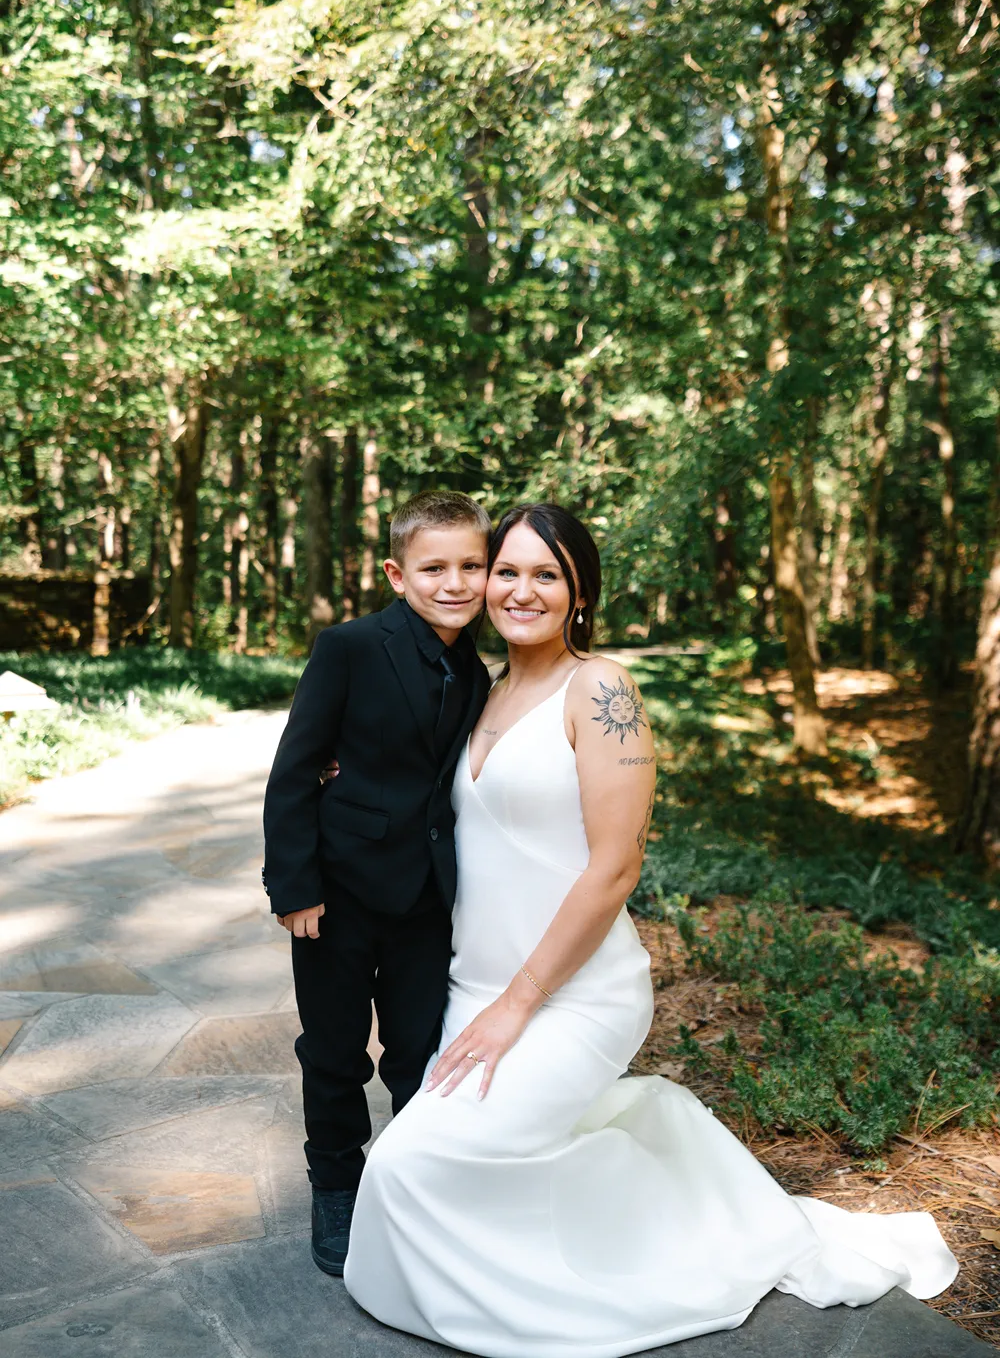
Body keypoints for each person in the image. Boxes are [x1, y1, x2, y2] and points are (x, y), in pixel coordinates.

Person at [343, 502, 958, 1358]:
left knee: (410, 1169)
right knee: (422, 1163)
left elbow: (615, 867)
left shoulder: (601, 689)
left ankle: (635, 1267)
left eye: (546, 574)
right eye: (507, 571)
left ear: (579, 591)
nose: (521, 590)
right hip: (472, 989)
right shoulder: (481, 690)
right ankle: (641, 1175)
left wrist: (519, 1006)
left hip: (568, 997)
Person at [261, 490, 492, 1278]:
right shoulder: (349, 648)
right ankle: (336, 1184)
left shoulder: (478, 667)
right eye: (434, 567)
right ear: (398, 574)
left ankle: (414, 1182)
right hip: (338, 897)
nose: (454, 582)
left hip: (427, 900)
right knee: (332, 1053)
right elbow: (296, 768)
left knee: (421, 1053)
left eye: (471, 565)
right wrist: (294, 888)